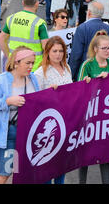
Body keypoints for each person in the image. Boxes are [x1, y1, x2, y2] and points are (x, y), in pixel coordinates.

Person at [0, 47, 40, 184]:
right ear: (16, 63)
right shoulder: (0, 81)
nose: (31, 66)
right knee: (3, 174)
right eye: (28, 63)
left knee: (22, 174)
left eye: (33, 63)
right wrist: (8, 101)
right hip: (9, 135)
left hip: (28, 134)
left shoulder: (33, 79)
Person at [77, 31, 109, 184]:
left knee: (104, 152)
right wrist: (90, 82)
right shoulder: (87, 64)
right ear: (95, 49)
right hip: (89, 115)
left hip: (107, 114)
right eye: (104, 48)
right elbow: (78, 89)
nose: (107, 51)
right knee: (85, 153)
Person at [34, 37, 72, 184]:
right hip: (48, 125)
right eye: (54, 51)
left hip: (66, 120)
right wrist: (48, 93)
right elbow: (34, 100)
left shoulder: (67, 68)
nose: (58, 54)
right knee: (47, 163)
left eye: (61, 50)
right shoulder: (40, 73)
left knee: (61, 163)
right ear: (47, 52)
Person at [0, 0, 49, 72]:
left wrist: (9, 57)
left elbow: (1, 38)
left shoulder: (11, 18)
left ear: (23, 3)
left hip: (15, 66)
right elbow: (46, 47)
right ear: (37, 3)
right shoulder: (39, 23)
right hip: (33, 68)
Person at [69, 1, 109, 81]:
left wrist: (71, 75)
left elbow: (76, 54)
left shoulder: (82, 28)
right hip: (105, 71)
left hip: (86, 73)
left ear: (89, 12)